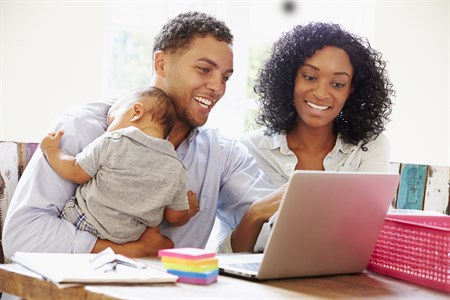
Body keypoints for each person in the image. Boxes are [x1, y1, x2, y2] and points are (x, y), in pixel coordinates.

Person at [3, 11, 279, 258]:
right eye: (204, 69)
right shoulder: (83, 127)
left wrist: (265, 213)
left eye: (225, 77)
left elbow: (272, 223)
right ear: (161, 63)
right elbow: (22, 235)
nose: (218, 88)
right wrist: (125, 251)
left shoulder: (223, 155)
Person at [240, 22, 395, 251]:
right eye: (310, 77)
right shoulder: (250, 149)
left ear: (351, 89)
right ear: (291, 78)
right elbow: (236, 250)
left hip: (342, 281)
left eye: (337, 83)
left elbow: (370, 235)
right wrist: (256, 214)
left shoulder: (368, 147)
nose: (322, 93)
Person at [40, 86, 199, 244]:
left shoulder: (113, 141)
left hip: (85, 221)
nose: (108, 128)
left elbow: (75, 171)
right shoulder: (177, 169)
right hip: (127, 239)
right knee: (165, 242)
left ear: (136, 112)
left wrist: (51, 150)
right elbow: (174, 217)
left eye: (112, 119)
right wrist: (189, 210)